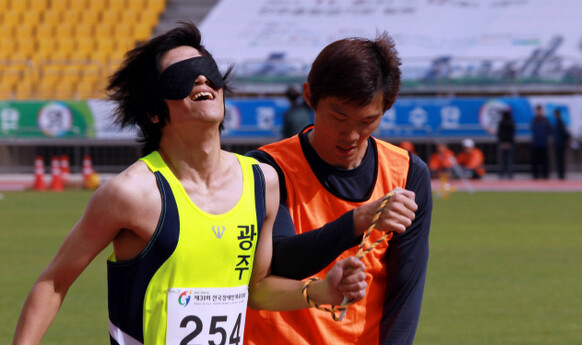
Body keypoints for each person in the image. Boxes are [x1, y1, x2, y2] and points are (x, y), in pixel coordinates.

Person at [11, 22, 368, 345]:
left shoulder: (263, 183)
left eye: (208, 71)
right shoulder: (131, 194)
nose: (201, 81)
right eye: (182, 75)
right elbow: (54, 282)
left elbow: (256, 290)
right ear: (153, 111)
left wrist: (321, 291)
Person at [245, 33, 432, 345]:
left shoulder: (408, 174)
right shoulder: (266, 168)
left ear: (387, 107)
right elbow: (278, 262)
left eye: (368, 121)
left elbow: (406, 292)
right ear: (309, 96)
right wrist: (358, 221)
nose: (352, 135)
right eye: (338, 116)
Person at [530, 104, 552, 179]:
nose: (539, 112)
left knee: (544, 160)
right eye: (538, 110)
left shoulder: (545, 120)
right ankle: (535, 175)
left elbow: (549, 130)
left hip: (543, 143)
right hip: (536, 143)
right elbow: (533, 129)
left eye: (540, 110)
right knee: (535, 160)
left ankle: (545, 175)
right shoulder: (534, 120)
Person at [496, 109, 515, 179]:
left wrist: (503, 142)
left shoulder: (503, 123)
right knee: (507, 161)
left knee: (504, 161)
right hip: (507, 144)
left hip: (505, 144)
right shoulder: (510, 122)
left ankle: (503, 174)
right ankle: (508, 174)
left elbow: (500, 134)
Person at [552, 108, 570, 179]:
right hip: (558, 143)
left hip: (560, 144)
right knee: (560, 160)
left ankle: (561, 175)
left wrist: (567, 138)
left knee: (560, 160)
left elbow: (564, 132)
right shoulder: (558, 122)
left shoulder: (559, 122)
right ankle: (560, 174)